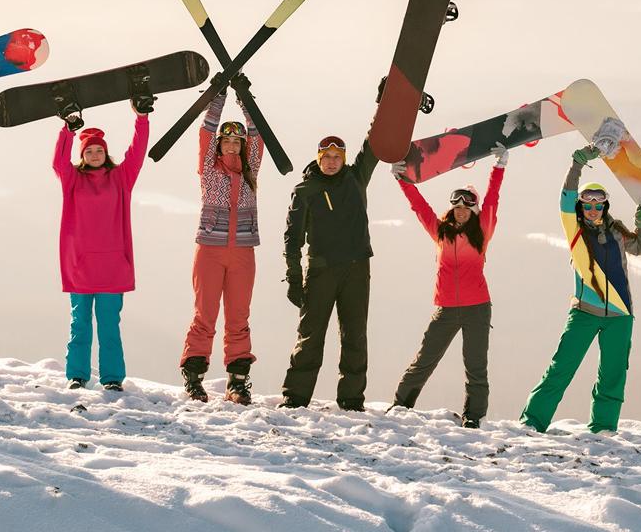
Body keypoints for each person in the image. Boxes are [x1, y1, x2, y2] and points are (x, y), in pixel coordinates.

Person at [519, 145, 641, 433]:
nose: (592, 209)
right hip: (584, 311)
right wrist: (576, 165)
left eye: (598, 204)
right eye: (587, 204)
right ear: (581, 206)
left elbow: (640, 248)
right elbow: (565, 201)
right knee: (562, 367)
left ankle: (603, 428)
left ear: (605, 205)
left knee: (613, 375)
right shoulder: (575, 230)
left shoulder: (616, 231)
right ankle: (532, 422)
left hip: (620, 314)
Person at [388, 143, 507, 428]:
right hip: (446, 308)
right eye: (457, 204)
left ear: (474, 209)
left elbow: (493, 199)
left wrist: (499, 167)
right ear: (452, 207)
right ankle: (400, 405)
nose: (462, 209)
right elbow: (420, 207)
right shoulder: (439, 231)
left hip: (477, 308)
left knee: (475, 366)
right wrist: (402, 179)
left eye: (468, 204)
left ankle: (473, 417)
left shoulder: (483, 231)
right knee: (425, 359)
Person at [53, 93, 153, 390]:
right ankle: (77, 376)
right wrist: (67, 130)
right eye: (89, 151)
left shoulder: (121, 178)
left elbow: (137, 152)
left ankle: (111, 379)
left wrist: (142, 118)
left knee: (109, 327)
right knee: (79, 325)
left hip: (112, 265)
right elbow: (58, 161)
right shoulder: (72, 180)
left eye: (99, 151)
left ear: (105, 153)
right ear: (82, 155)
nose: (95, 155)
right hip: (79, 264)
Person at [180, 75, 264, 404]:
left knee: (239, 315)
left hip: (243, 251)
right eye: (226, 141)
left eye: (237, 141)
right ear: (220, 144)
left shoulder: (251, 170)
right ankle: (194, 374)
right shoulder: (209, 168)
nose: (232, 145)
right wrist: (218, 98)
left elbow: (256, 134)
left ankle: (238, 381)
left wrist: (244, 98)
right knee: (205, 314)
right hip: (210, 250)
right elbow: (204, 132)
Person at [280, 134, 379, 409]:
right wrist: (294, 278)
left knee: (355, 334)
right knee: (311, 334)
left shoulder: (356, 178)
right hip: (321, 271)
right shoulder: (305, 191)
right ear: (318, 159)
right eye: (327, 158)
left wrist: (386, 98)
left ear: (344, 159)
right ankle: (295, 397)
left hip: (357, 268)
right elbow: (293, 238)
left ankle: (351, 399)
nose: (332, 162)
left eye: (337, 157)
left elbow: (373, 145)